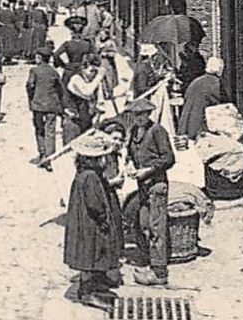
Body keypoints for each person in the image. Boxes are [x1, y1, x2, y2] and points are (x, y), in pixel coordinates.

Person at [63, 128, 124, 306]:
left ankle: (96, 280)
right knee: (91, 252)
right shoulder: (90, 177)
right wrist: (104, 219)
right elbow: (95, 204)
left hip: (85, 221)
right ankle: (87, 291)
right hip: (90, 224)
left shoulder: (85, 174)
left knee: (91, 252)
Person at [121, 96, 175, 286]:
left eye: (142, 115)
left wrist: (148, 170)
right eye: (135, 115)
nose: (138, 118)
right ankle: (149, 260)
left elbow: (169, 158)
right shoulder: (134, 131)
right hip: (142, 186)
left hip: (157, 186)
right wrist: (128, 164)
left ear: (148, 114)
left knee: (156, 229)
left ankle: (159, 273)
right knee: (142, 224)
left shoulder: (157, 131)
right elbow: (128, 153)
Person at [27, 44, 64, 167]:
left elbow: (30, 86)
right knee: (51, 130)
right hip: (52, 105)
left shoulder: (34, 71)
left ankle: (42, 153)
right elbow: (60, 89)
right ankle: (50, 157)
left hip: (38, 105)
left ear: (39, 58)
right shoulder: (54, 72)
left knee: (39, 129)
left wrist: (32, 99)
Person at [178, 57, 226, 140]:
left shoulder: (196, 81)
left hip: (185, 125)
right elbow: (221, 103)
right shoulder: (214, 83)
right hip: (199, 127)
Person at [64, 56, 106, 144]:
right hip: (74, 122)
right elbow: (87, 91)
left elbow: (99, 100)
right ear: (83, 68)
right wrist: (99, 77)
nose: (94, 74)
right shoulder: (76, 78)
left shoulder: (93, 81)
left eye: (96, 71)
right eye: (91, 71)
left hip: (87, 121)